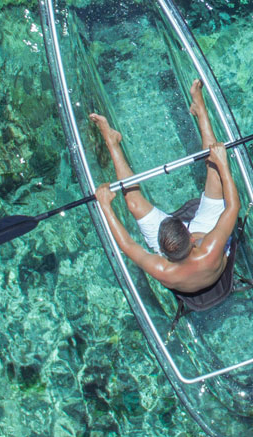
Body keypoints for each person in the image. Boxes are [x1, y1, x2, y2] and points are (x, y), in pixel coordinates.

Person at [88, 79, 241, 301]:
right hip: (208, 237)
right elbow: (233, 206)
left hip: (192, 258)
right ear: (189, 236)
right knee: (215, 170)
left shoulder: (161, 268)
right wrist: (223, 163)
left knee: (133, 203)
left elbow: (126, 245)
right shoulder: (210, 246)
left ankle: (114, 142)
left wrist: (105, 206)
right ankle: (200, 113)